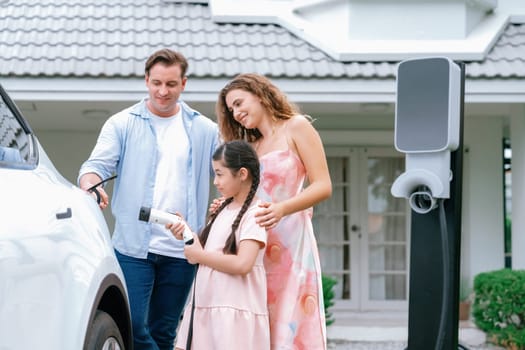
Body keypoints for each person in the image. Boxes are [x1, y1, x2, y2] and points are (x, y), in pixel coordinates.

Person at [78, 48, 219, 350]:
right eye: (156, 83)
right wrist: (91, 185)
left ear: (184, 83)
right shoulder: (122, 123)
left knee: (165, 330)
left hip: (183, 249)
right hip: (133, 247)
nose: (163, 91)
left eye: (171, 84)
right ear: (146, 81)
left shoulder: (205, 129)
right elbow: (95, 167)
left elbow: (229, 174)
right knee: (134, 326)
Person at [215, 73, 333, 349]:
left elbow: (323, 185)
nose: (237, 113)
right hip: (255, 244)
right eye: (232, 110)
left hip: (291, 243)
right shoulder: (251, 148)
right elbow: (249, 197)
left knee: (290, 317)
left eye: (239, 103)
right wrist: (226, 204)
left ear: (259, 93)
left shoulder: (297, 127)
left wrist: (282, 209)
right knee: (260, 318)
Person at [168, 140, 269, 350]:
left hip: (233, 314)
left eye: (220, 174)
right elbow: (209, 252)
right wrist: (186, 233)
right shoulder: (223, 209)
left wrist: (199, 256)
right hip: (207, 307)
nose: (215, 181)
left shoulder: (255, 214)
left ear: (242, 174)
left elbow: (243, 264)